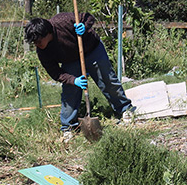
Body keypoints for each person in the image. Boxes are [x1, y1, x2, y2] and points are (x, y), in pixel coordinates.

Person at [24, 12, 135, 142]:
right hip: (70, 60)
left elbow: (88, 17)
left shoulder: (62, 21)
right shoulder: (42, 51)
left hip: (92, 49)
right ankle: (68, 127)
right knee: (70, 92)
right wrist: (73, 80)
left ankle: (125, 109)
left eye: (38, 41)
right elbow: (55, 72)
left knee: (107, 80)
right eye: (34, 42)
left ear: (47, 33)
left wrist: (84, 26)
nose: (37, 44)